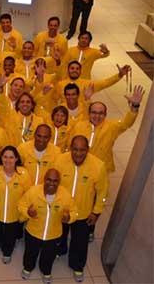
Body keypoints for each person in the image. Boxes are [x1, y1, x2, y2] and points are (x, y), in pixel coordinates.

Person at [55, 136, 108, 282]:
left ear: (88, 150)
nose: (78, 154)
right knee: (59, 234)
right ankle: (60, 250)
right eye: (75, 149)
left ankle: (77, 265)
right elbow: (53, 183)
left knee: (80, 241)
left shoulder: (98, 166)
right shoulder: (60, 160)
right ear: (70, 148)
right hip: (63, 211)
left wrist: (97, 211)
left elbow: (103, 192)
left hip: (82, 214)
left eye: (82, 150)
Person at [18, 169, 78, 283]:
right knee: (30, 252)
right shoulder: (33, 191)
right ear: (44, 180)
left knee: (49, 256)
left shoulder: (65, 195)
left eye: (55, 181)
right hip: (33, 232)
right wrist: (28, 213)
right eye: (49, 180)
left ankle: (46, 271)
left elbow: (75, 211)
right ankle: (28, 268)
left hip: (53, 235)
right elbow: (21, 205)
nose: (52, 183)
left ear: (59, 182)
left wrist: (69, 217)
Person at [69, 85, 144, 174]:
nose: (97, 116)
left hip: (101, 170)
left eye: (101, 113)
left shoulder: (111, 127)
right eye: (94, 113)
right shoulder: (79, 126)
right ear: (89, 114)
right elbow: (70, 145)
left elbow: (126, 123)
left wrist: (135, 107)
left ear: (105, 115)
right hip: (79, 167)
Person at [0, 146, 31, 263]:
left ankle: (7, 252)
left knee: (11, 236)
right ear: (1, 158)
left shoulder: (24, 175)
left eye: (11, 157)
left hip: (14, 216)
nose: (8, 160)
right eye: (5, 157)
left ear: (16, 159)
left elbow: (29, 196)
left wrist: (23, 216)